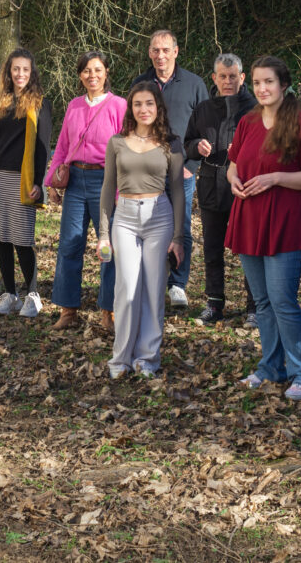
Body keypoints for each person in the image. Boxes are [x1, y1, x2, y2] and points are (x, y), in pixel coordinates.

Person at [226, 56, 301, 401]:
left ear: (283, 84)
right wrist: (233, 181)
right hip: (251, 221)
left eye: (268, 82)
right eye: (256, 83)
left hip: (287, 223)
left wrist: (276, 178)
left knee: (283, 300)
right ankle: (271, 367)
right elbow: (234, 165)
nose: (262, 89)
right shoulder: (248, 122)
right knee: (262, 302)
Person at [99, 81, 185, 378]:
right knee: (126, 289)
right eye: (137, 104)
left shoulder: (170, 143)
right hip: (124, 218)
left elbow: (177, 190)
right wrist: (102, 232)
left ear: (158, 107)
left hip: (158, 216)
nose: (143, 109)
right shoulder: (117, 142)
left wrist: (178, 237)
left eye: (149, 103)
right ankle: (120, 358)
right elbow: (108, 188)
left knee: (152, 290)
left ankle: (147, 358)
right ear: (130, 108)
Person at [45, 51, 126, 331]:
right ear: (80, 75)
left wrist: (119, 191)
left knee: (108, 248)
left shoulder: (119, 106)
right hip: (76, 181)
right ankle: (68, 309)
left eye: (97, 70)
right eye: (86, 71)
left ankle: (109, 311)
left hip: (106, 180)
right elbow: (63, 145)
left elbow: (125, 152)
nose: (92, 76)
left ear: (106, 73)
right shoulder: (74, 106)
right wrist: (51, 182)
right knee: (69, 244)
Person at [133, 29, 209, 307]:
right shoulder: (140, 82)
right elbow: (132, 125)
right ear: (149, 53)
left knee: (181, 227)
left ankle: (177, 284)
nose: (160, 55)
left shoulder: (194, 84)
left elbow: (205, 128)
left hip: (182, 170)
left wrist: (192, 164)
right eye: (155, 50)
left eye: (165, 50)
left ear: (176, 52)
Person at [0, 48, 52, 317]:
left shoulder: (40, 103)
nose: (20, 74)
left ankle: (33, 295)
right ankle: (10, 295)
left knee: (21, 239)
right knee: (1, 237)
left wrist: (40, 182)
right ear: (9, 72)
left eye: (25, 70)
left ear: (32, 74)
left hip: (24, 179)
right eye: (16, 69)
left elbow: (43, 147)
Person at [184, 53, 257, 327]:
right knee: (213, 248)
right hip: (210, 183)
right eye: (222, 76)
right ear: (213, 78)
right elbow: (187, 142)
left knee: (249, 249)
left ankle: (255, 307)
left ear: (242, 77)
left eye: (233, 76)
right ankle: (214, 304)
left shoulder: (255, 107)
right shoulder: (203, 109)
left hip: (244, 185)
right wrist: (196, 147)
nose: (228, 81)